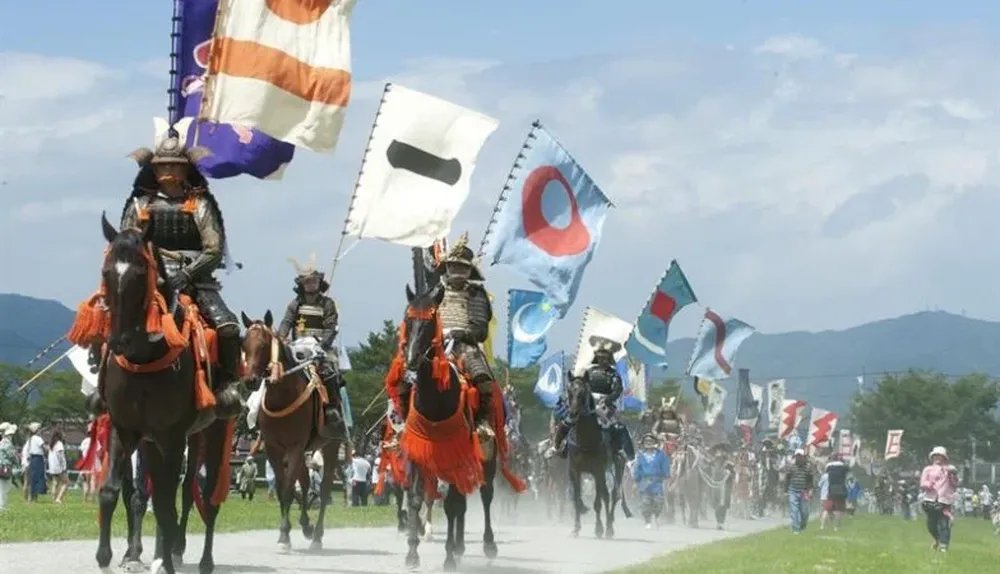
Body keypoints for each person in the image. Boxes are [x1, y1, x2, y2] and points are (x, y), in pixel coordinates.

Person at [85, 134, 243, 420]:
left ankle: (225, 386)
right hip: (146, 278)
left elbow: (213, 249)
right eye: (162, 166)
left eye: (175, 165)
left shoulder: (200, 205)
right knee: (107, 323)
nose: (168, 171)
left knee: (228, 327)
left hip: (194, 279)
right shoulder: (139, 206)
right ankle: (103, 386)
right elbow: (125, 246)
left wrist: (187, 273)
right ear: (153, 170)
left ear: (186, 169)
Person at [433, 232, 495, 434]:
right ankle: (400, 423)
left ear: (469, 270)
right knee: (405, 376)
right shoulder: (435, 292)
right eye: (453, 266)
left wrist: (461, 334)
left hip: (464, 345)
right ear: (447, 267)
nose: (456, 270)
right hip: (435, 343)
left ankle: (482, 421)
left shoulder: (476, 294)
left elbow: (480, 330)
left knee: (482, 378)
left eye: (461, 267)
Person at [277, 253, 344, 439]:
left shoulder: (328, 304)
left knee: (329, 371)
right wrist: (281, 339)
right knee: (276, 369)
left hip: (320, 347)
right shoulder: (295, 305)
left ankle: (332, 409)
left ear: (319, 282)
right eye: (307, 281)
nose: (310, 284)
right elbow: (286, 323)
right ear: (302, 284)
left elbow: (331, 328)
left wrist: (322, 345)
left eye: (313, 281)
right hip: (297, 347)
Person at [547, 336, 634, 459]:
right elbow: (579, 385)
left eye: (605, 358)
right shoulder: (588, 372)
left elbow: (617, 390)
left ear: (609, 359)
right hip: (587, 402)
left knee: (618, 427)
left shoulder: (613, 374)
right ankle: (557, 446)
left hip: (605, 404)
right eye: (600, 357)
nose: (602, 360)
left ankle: (625, 454)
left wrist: (607, 399)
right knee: (568, 421)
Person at [920, 446, 959, 552]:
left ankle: (943, 546)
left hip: (944, 501)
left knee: (944, 524)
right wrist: (930, 484)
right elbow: (923, 483)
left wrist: (953, 475)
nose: (937, 458)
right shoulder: (928, 469)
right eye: (935, 456)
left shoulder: (949, 469)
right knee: (931, 524)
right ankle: (938, 539)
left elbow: (954, 484)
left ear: (944, 457)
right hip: (930, 500)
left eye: (939, 456)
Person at [632, 434, 670, 528]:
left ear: (655, 443)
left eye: (651, 441)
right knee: (646, 503)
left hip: (657, 482)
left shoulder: (661, 455)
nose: (649, 443)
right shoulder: (640, 456)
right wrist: (636, 480)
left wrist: (666, 477)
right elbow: (637, 468)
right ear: (644, 443)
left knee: (658, 502)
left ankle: (656, 517)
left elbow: (665, 467)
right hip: (644, 482)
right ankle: (647, 520)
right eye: (646, 441)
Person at [784, 448, 814, 534]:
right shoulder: (791, 466)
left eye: (800, 456)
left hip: (803, 492)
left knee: (805, 512)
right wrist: (785, 491)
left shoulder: (808, 467)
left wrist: (810, 489)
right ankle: (795, 529)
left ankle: (802, 526)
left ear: (804, 457)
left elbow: (810, 480)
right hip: (793, 490)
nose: (799, 458)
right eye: (797, 456)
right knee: (794, 510)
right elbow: (787, 479)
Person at [822, 453, 848, 530]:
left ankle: (824, 525)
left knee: (828, 509)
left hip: (831, 489)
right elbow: (848, 470)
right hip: (841, 489)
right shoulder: (844, 466)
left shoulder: (828, 466)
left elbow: (825, 471)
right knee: (839, 510)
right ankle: (836, 527)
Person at [0, 422, 21, 511]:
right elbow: (12, 456)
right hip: (5, 467)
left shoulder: (2, 442)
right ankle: (2, 507)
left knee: (3, 487)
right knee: (5, 488)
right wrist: (18, 462)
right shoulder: (7, 444)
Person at [24, 422, 46, 501]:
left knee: (33, 477)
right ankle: (34, 497)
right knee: (38, 477)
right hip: (38, 459)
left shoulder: (31, 439)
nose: (41, 430)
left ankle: (32, 497)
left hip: (32, 459)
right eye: (39, 429)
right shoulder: (38, 438)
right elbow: (44, 447)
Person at [46, 428, 68, 504]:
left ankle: (53, 499)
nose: (64, 435)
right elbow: (60, 456)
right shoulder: (59, 444)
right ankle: (58, 499)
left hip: (52, 466)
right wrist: (64, 466)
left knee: (55, 482)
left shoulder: (52, 444)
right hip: (58, 466)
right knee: (66, 482)